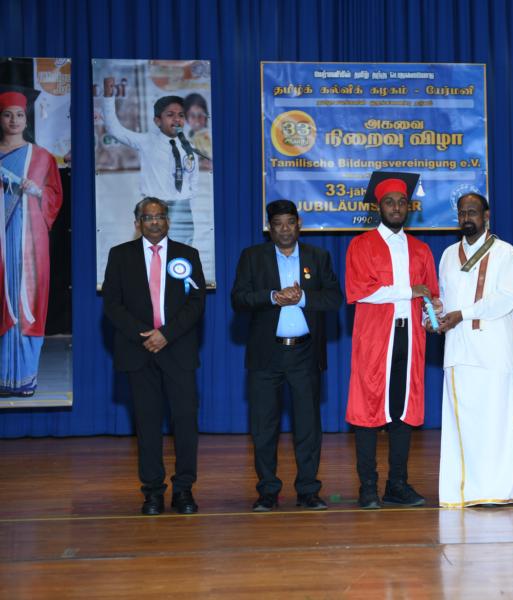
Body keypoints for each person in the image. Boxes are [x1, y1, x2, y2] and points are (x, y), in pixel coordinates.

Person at [231, 200, 343, 512]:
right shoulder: (252, 257)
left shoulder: (318, 257)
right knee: (264, 427)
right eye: (277, 224)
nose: (284, 229)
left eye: (290, 222)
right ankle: (268, 491)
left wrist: (303, 297)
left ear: (299, 224)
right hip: (266, 354)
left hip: (304, 353)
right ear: (269, 227)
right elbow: (238, 299)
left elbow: (334, 298)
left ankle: (308, 490)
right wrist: (272, 297)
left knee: (308, 427)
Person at [102, 198, 206, 515]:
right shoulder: (120, 255)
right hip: (139, 352)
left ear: (168, 220)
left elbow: (197, 303)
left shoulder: (188, 255)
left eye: (160, 216)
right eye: (148, 217)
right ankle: (153, 493)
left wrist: (166, 334)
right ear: (138, 223)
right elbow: (112, 305)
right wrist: (145, 335)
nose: (155, 222)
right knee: (147, 426)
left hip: (178, 351)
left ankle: (184, 490)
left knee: (185, 423)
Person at [345, 172, 439, 509]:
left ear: (408, 207)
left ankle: (397, 484)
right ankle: (368, 486)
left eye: (402, 202)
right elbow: (360, 291)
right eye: (389, 202)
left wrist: (433, 314)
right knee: (368, 410)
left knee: (403, 411)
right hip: (375, 339)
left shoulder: (420, 249)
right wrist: (408, 290)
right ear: (378, 207)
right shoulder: (361, 245)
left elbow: (431, 294)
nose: (397, 207)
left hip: (410, 337)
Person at [433, 192, 513, 507]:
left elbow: (504, 299)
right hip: (458, 350)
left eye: (472, 212)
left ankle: (498, 491)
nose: (466, 218)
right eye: (462, 213)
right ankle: (464, 492)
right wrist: (435, 316)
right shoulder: (447, 255)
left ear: (486, 216)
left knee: (495, 423)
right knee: (462, 426)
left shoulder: (506, 253)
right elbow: (444, 300)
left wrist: (463, 314)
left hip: (493, 351)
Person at [0, 91, 63, 397]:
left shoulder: (41, 157)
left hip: (29, 242)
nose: (14, 120)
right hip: (2, 238)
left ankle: (24, 378)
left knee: (28, 301)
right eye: (7, 114)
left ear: (26, 119)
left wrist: (36, 190)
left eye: (19, 115)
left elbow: (54, 196)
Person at [101, 87, 199, 245]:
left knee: (182, 254)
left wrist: (188, 203)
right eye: (170, 115)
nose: (177, 119)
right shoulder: (147, 141)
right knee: (152, 252)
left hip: (183, 209)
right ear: (157, 120)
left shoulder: (189, 146)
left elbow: (193, 179)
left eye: (181, 115)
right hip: (154, 207)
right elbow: (114, 130)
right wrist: (108, 97)